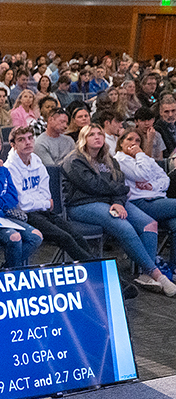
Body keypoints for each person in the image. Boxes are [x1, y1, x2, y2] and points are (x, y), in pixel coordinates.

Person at [63, 124, 175, 295]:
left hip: (110, 202)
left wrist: (118, 201)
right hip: (82, 204)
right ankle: (158, 275)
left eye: (99, 133)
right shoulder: (74, 160)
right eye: (91, 134)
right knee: (124, 225)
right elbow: (93, 186)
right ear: (83, 139)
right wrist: (118, 194)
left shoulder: (109, 160)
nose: (97, 137)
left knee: (149, 224)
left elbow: (119, 185)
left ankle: (145, 274)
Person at [3, 125, 95, 263]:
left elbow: (45, 192)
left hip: (43, 211)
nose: (27, 142)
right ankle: (95, 269)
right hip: (26, 216)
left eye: (30, 138)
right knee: (65, 238)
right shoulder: (9, 167)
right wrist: (44, 203)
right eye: (21, 140)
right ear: (13, 145)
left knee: (76, 235)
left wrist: (42, 202)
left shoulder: (36, 160)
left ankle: (96, 267)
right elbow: (22, 204)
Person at [0, 127, 42, 268]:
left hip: (3, 214)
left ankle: (5, 269)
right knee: (14, 237)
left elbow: (13, 199)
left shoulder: (4, 169)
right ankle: (13, 273)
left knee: (36, 236)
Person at [114, 129, 176, 273]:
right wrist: (140, 154)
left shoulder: (144, 159)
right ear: (121, 143)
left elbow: (165, 179)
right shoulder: (119, 160)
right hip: (139, 202)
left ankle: (173, 268)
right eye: (129, 139)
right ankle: (150, 270)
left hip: (158, 200)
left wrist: (152, 186)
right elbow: (140, 175)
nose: (134, 143)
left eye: (137, 141)